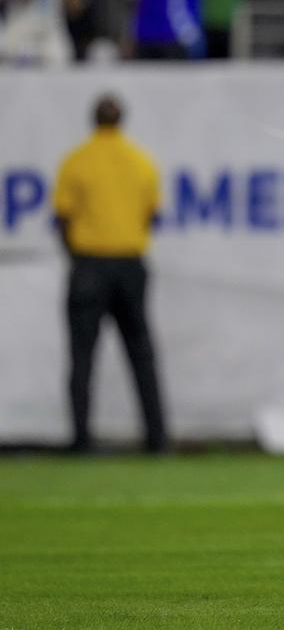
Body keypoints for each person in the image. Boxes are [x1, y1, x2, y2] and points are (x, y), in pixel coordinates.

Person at [52, 95, 167, 453]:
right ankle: (157, 440)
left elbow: (62, 217)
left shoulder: (77, 160)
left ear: (93, 120)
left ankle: (81, 440)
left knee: (82, 356)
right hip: (130, 265)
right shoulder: (141, 160)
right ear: (122, 121)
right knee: (142, 355)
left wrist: (77, 256)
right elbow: (153, 214)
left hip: (89, 264)